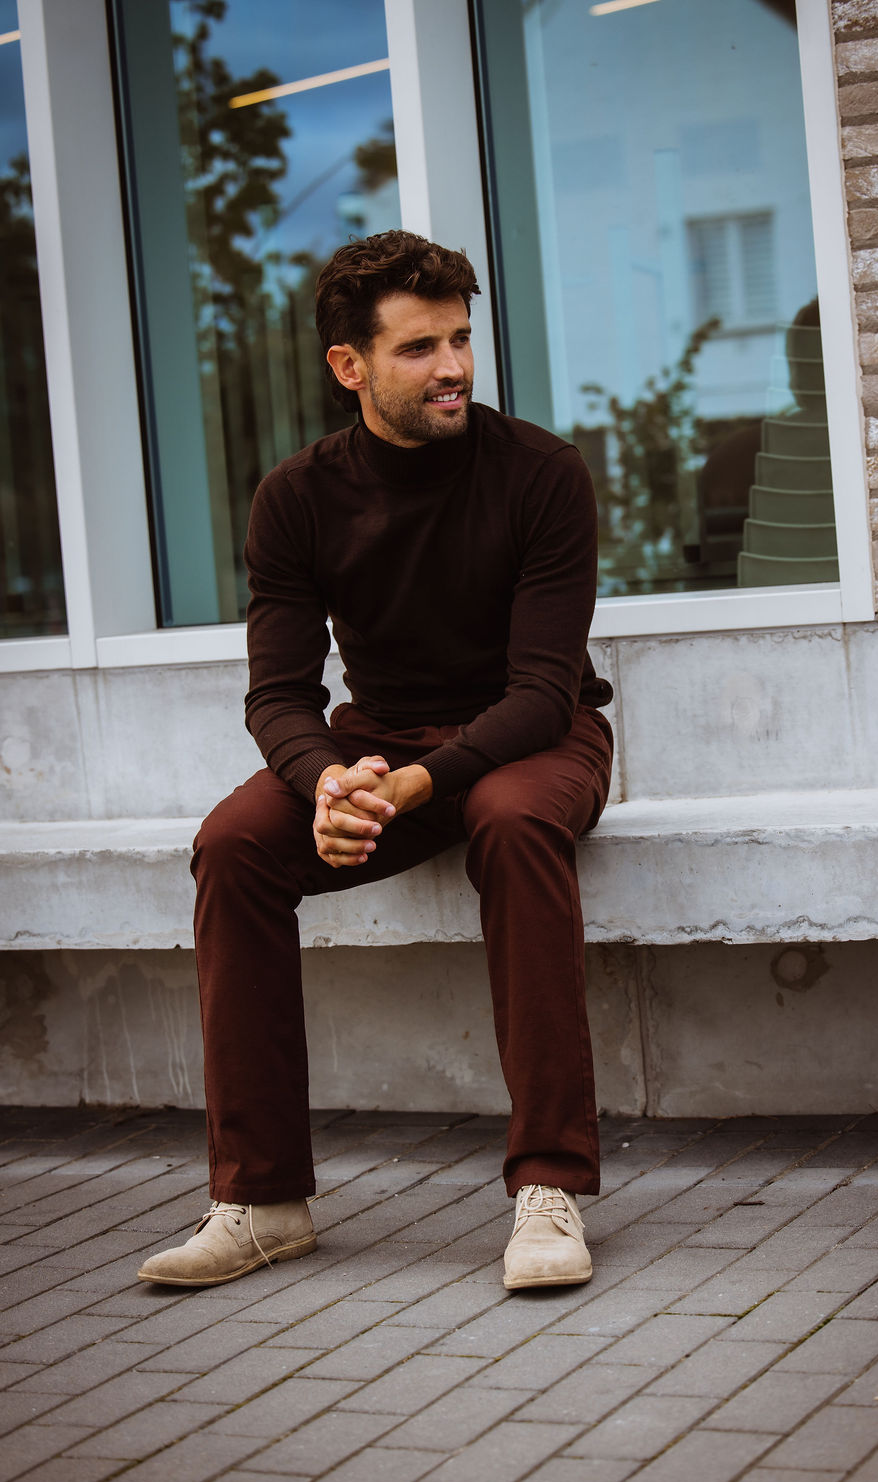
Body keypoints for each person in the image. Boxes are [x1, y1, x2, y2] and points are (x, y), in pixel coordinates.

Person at [138, 230, 615, 1293]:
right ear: (348, 365)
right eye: (418, 348)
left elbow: (542, 690)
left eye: (460, 339)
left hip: (535, 735)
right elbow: (278, 695)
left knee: (511, 818)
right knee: (233, 843)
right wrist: (327, 782)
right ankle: (263, 1199)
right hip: (379, 739)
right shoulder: (297, 498)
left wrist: (411, 785)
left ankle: (549, 1183)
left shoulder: (542, 473)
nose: (453, 367)